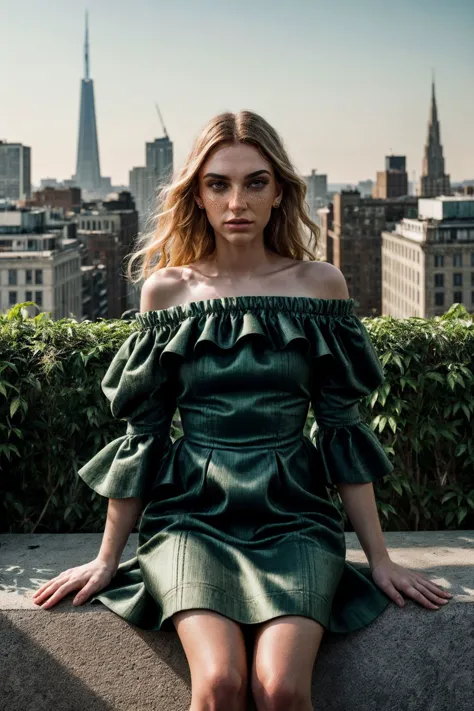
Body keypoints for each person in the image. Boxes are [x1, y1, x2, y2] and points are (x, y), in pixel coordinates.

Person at [33, 110, 452, 711]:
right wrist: (106, 558)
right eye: (218, 184)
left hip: (295, 515)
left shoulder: (320, 285)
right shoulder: (167, 292)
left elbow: (342, 432)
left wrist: (380, 560)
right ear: (196, 196)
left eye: (255, 182)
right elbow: (144, 436)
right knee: (220, 684)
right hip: (191, 518)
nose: (238, 201)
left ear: (279, 190)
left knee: (281, 687)